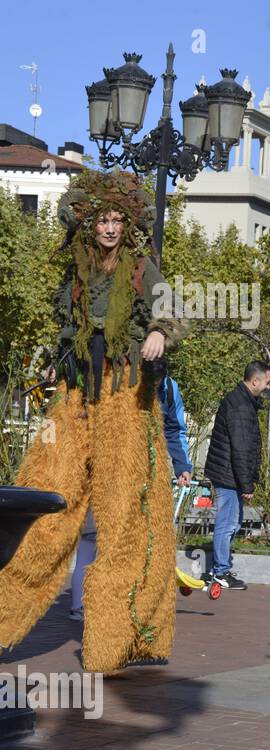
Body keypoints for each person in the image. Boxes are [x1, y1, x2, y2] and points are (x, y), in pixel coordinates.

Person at [0, 170, 186, 673]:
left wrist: (159, 335)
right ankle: (3, 618)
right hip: (75, 397)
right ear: (87, 225)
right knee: (38, 501)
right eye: (101, 220)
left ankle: (119, 641)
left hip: (126, 397)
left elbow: (174, 311)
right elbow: (66, 333)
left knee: (127, 519)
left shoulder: (143, 268)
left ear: (127, 225)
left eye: (116, 220)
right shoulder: (77, 273)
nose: (108, 228)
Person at [70, 360, 193, 621]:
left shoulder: (169, 391)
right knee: (91, 538)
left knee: (130, 538)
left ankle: (120, 600)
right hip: (108, 473)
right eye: (152, 384)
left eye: (158, 385)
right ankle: (81, 604)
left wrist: (182, 465)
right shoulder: (120, 386)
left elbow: (174, 429)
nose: (155, 388)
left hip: (143, 475)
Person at [203, 361, 270, 590]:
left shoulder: (241, 400)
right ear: (255, 381)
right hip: (229, 475)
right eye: (267, 382)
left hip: (228, 473)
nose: (268, 387)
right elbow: (241, 449)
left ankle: (219, 569)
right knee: (228, 523)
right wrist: (247, 485)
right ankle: (220, 571)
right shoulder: (241, 407)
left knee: (231, 522)